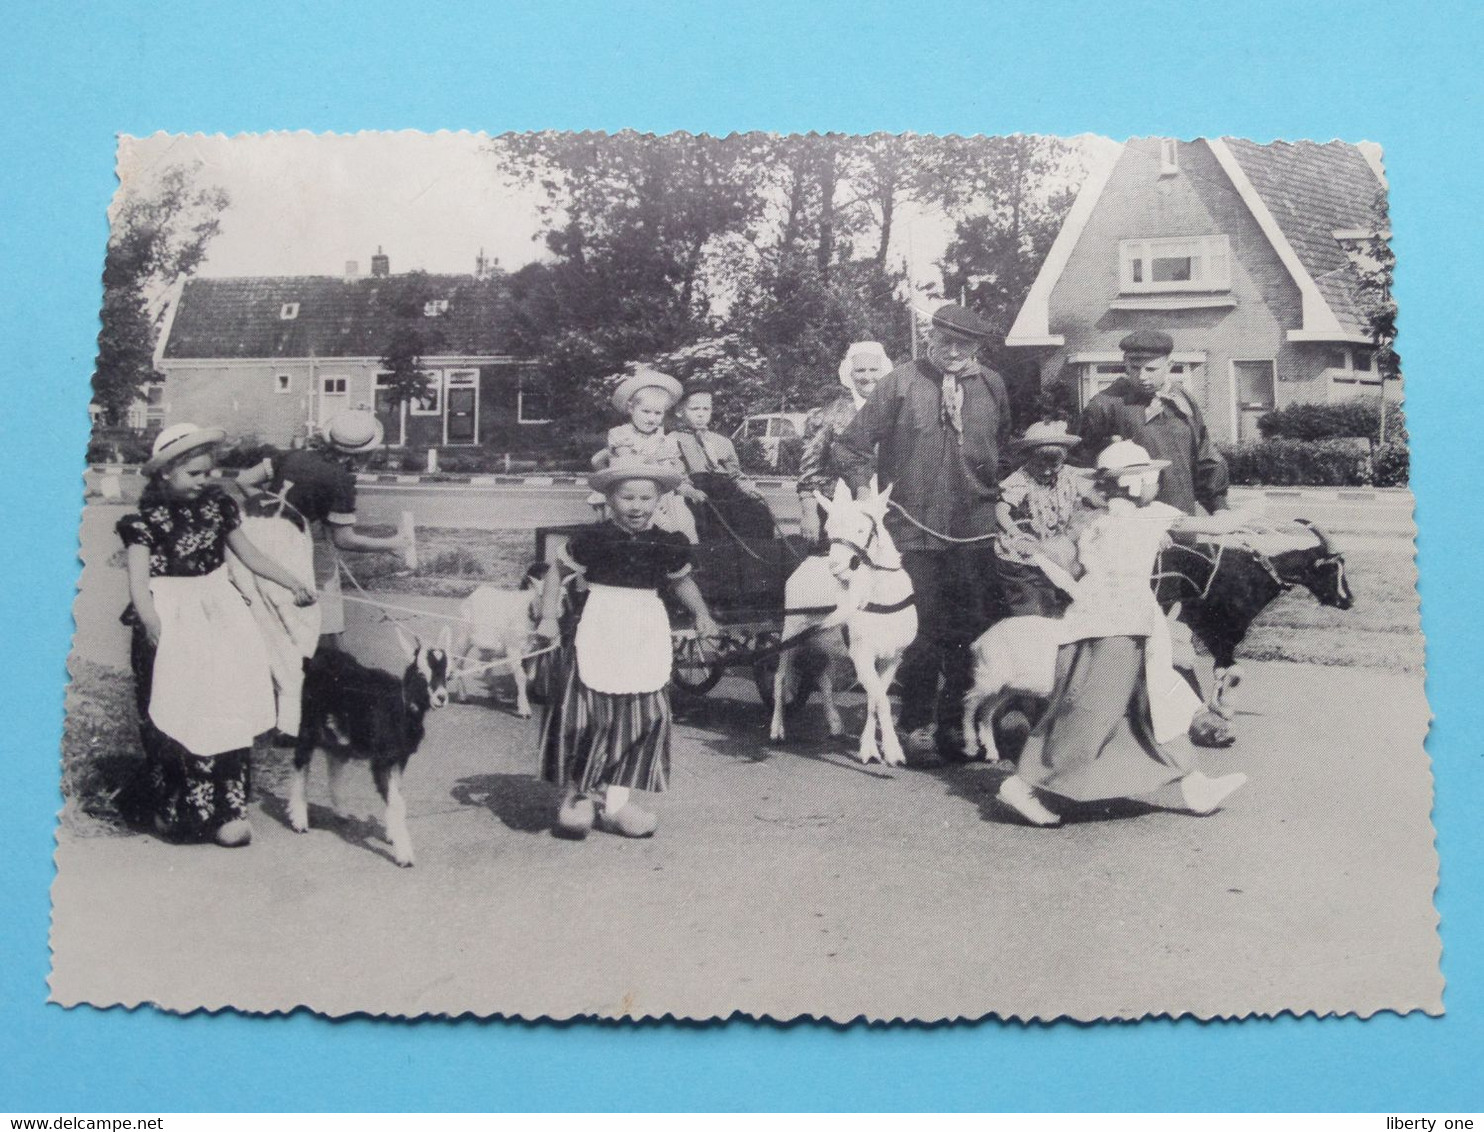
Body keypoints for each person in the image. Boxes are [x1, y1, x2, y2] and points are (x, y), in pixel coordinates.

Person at [995, 440, 1249, 828]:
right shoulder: (1152, 516)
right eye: (1151, 477)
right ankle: (1023, 784)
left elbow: (1065, 564)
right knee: (1093, 714)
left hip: (1102, 623)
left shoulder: (1091, 520)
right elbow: (1217, 526)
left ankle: (1194, 784)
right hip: (1118, 630)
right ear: (1133, 483)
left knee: (1156, 707)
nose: (1157, 483)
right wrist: (1256, 511)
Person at [117, 423, 316, 847]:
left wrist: (291, 581)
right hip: (170, 617)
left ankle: (228, 812)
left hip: (217, 614)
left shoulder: (218, 509)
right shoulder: (142, 522)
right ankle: (178, 811)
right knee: (176, 707)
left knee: (225, 702)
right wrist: (152, 622)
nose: (206, 480)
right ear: (165, 474)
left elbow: (250, 555)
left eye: (209, 472)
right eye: (195, 474)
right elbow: (138, 582)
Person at [833, 304, 1012, 761]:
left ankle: (956, 725)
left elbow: (1002, 447)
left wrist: (993, 497)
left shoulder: (992, 385)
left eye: (965, 344)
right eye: (945, 341)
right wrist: (865, 497)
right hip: (911, 530)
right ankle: (916, 724)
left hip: (972, 531)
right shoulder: (901, 382)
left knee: (970, 631)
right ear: (931, 337)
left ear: (976, 348)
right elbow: (851, 445)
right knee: (922, 634)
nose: (953, 352)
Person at [535, 457, 720, 840]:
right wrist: (549, 617)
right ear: (609, 499)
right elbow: (558, 572)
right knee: (588, 717)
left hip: (645, 628)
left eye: (645, 498)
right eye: (627, 498)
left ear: (659, 500)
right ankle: (578, 798)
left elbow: (682, 582)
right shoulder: (593, 539)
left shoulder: (669, 542)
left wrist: (702, 614)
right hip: (602, 626)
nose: (637, 506)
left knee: (644, 717)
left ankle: (617, 803)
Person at [1076, 330, 1230, 516]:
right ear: (1125, 364)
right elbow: (1079, 465)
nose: (1142, 376)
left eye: (1151, 369)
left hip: (1182, 515)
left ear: (1169, 365)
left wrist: (1219, 505)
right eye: (1134, 368)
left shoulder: (1183, 400)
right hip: (1130, 521)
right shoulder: (1105, 404)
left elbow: (1204, 455)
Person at [995, 420, 1103, 617]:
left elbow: (1097, 497)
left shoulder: (1069, 475)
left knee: (1065, 603)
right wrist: (1016, 534)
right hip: (1024, 555)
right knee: (1032, 607)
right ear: (1028, 458)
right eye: (1040, 464)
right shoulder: (1021, 480)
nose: (1046, 471)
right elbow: (1002, 509)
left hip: (1054, 552)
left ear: (1062, 461)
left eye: (1053, 465)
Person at [797, 341, 892, 546]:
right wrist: (809, 513)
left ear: (884, 371)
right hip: (838, 506)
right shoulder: (828, 415)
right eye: (860, 370)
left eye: (874, 369)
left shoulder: (895, 409)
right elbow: (810, 470)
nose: (867, 376)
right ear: (850, 374)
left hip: (885, 508)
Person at [589, 366, 699, 543]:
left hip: (662, 494)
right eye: (646, 412)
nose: (652, 418)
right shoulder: (622, 435)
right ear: (631, 409)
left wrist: (682, 480)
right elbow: (628, 465)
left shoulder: (665, 439)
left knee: (683, 520)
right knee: (651, 525)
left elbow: (674, 469)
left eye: (658, 413)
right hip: (633, 493)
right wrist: (655, 458)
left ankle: (685, 557)